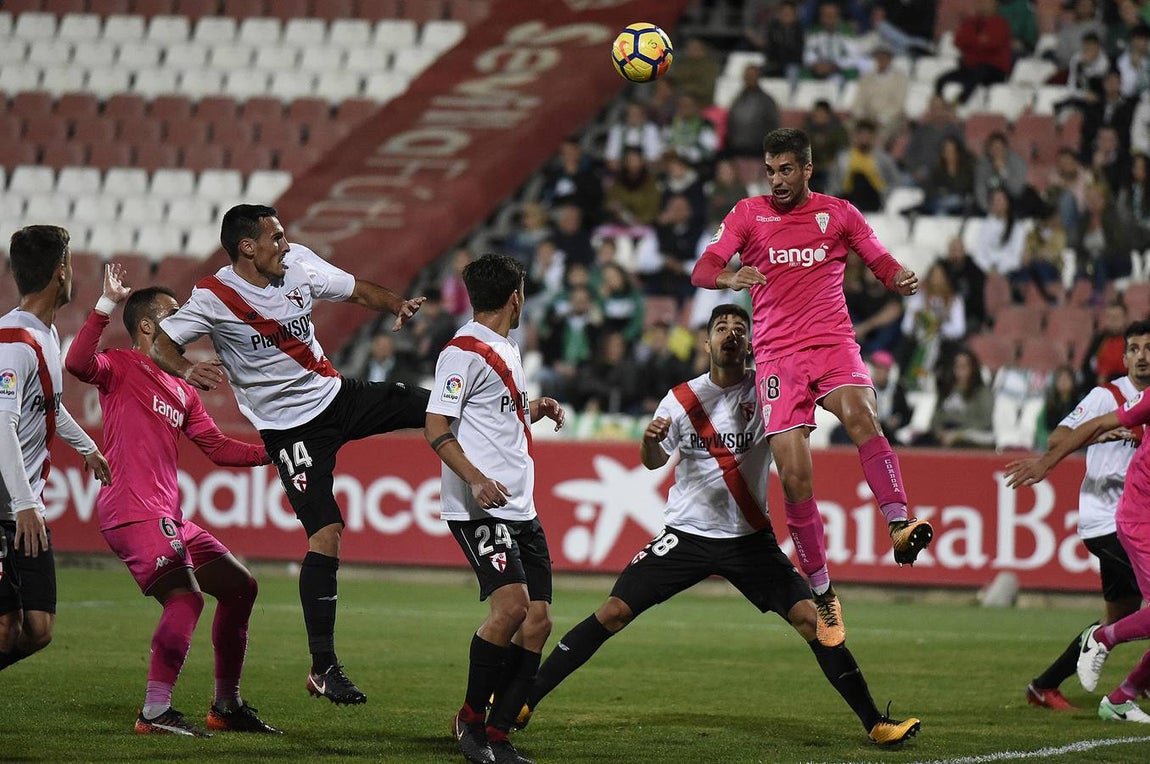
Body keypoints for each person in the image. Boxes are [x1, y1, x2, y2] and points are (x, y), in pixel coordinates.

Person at [516, 304, 921, 748]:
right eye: (721, 327)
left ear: (749, 343)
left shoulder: (769, 391)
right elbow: (653, 463)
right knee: (613, 612)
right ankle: (524, 700)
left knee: (813, 621)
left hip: (749, 541)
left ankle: (875, 723)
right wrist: (649, 444)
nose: (731, 334)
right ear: (706, 342)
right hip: (687, 535)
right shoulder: (682, 398)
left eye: (740, 328)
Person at [149, 204, 431, 706]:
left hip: (336, 397)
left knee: (433, 408)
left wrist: (395, 305)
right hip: (290, 431)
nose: (285, 244)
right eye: (275, 237)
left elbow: (353, 288)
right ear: (247, 247)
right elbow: (162, 344)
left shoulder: (298, 262)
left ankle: (502, 432)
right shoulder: (213, 296)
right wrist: (187, 370)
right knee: (326, 532)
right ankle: (324, 668)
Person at [691, 128, 932, 648]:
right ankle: (823, 594)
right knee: (796, 480)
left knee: (863, 415)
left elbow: (880, 260)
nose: (776, 180)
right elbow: (703, 268)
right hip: (777, 357)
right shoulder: (747, 214)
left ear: (806, 169)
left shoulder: (839, 213)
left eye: (785, 170)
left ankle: (899, 524)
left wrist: (898, 278)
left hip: (832, 343)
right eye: (769, 170)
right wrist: (729, 278)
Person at [65, 264, 279, 736]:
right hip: (132, 510)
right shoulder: (121, 366)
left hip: (168, 516)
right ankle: (155, 711)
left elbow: (218, 448)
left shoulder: (183, 389)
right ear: (146, 326)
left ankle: (226, 706)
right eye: (173, 314)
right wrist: (105, 304)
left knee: (240, 587)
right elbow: (78, 363)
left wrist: (273, 452)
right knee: (185, 598)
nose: (184, 321)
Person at [424, 253, 565, 764]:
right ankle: (470, 721)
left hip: (520, 505)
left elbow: (494, 415)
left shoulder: (506, 347)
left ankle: (499, 732)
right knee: (511, 608)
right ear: (515, 298)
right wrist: (476, 479)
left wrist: (533, 408)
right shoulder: (462, 352)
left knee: (538, 622)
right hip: (481, 506)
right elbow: (436, 426)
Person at [1006, 322, 1150, 724]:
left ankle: (1044, 685)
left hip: (1137, 521)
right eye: (1134, 349)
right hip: (1106, 520)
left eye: (1149, 348)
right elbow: (1058, 438)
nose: (1142, 356)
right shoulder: (1108, 396)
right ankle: (1129, 686)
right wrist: (1097, 437)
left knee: (1121, 617)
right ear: (1125, 358)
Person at [0, 225, 112, 672]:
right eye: (69, 262)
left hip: (23, 506)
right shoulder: (13, 341)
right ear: (60, 272)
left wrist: (87, 447)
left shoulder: (44, 335)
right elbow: (2, 424)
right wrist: (25, 503)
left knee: (39, 628)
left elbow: (49, 404)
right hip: (11, 506)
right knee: (5, 627)